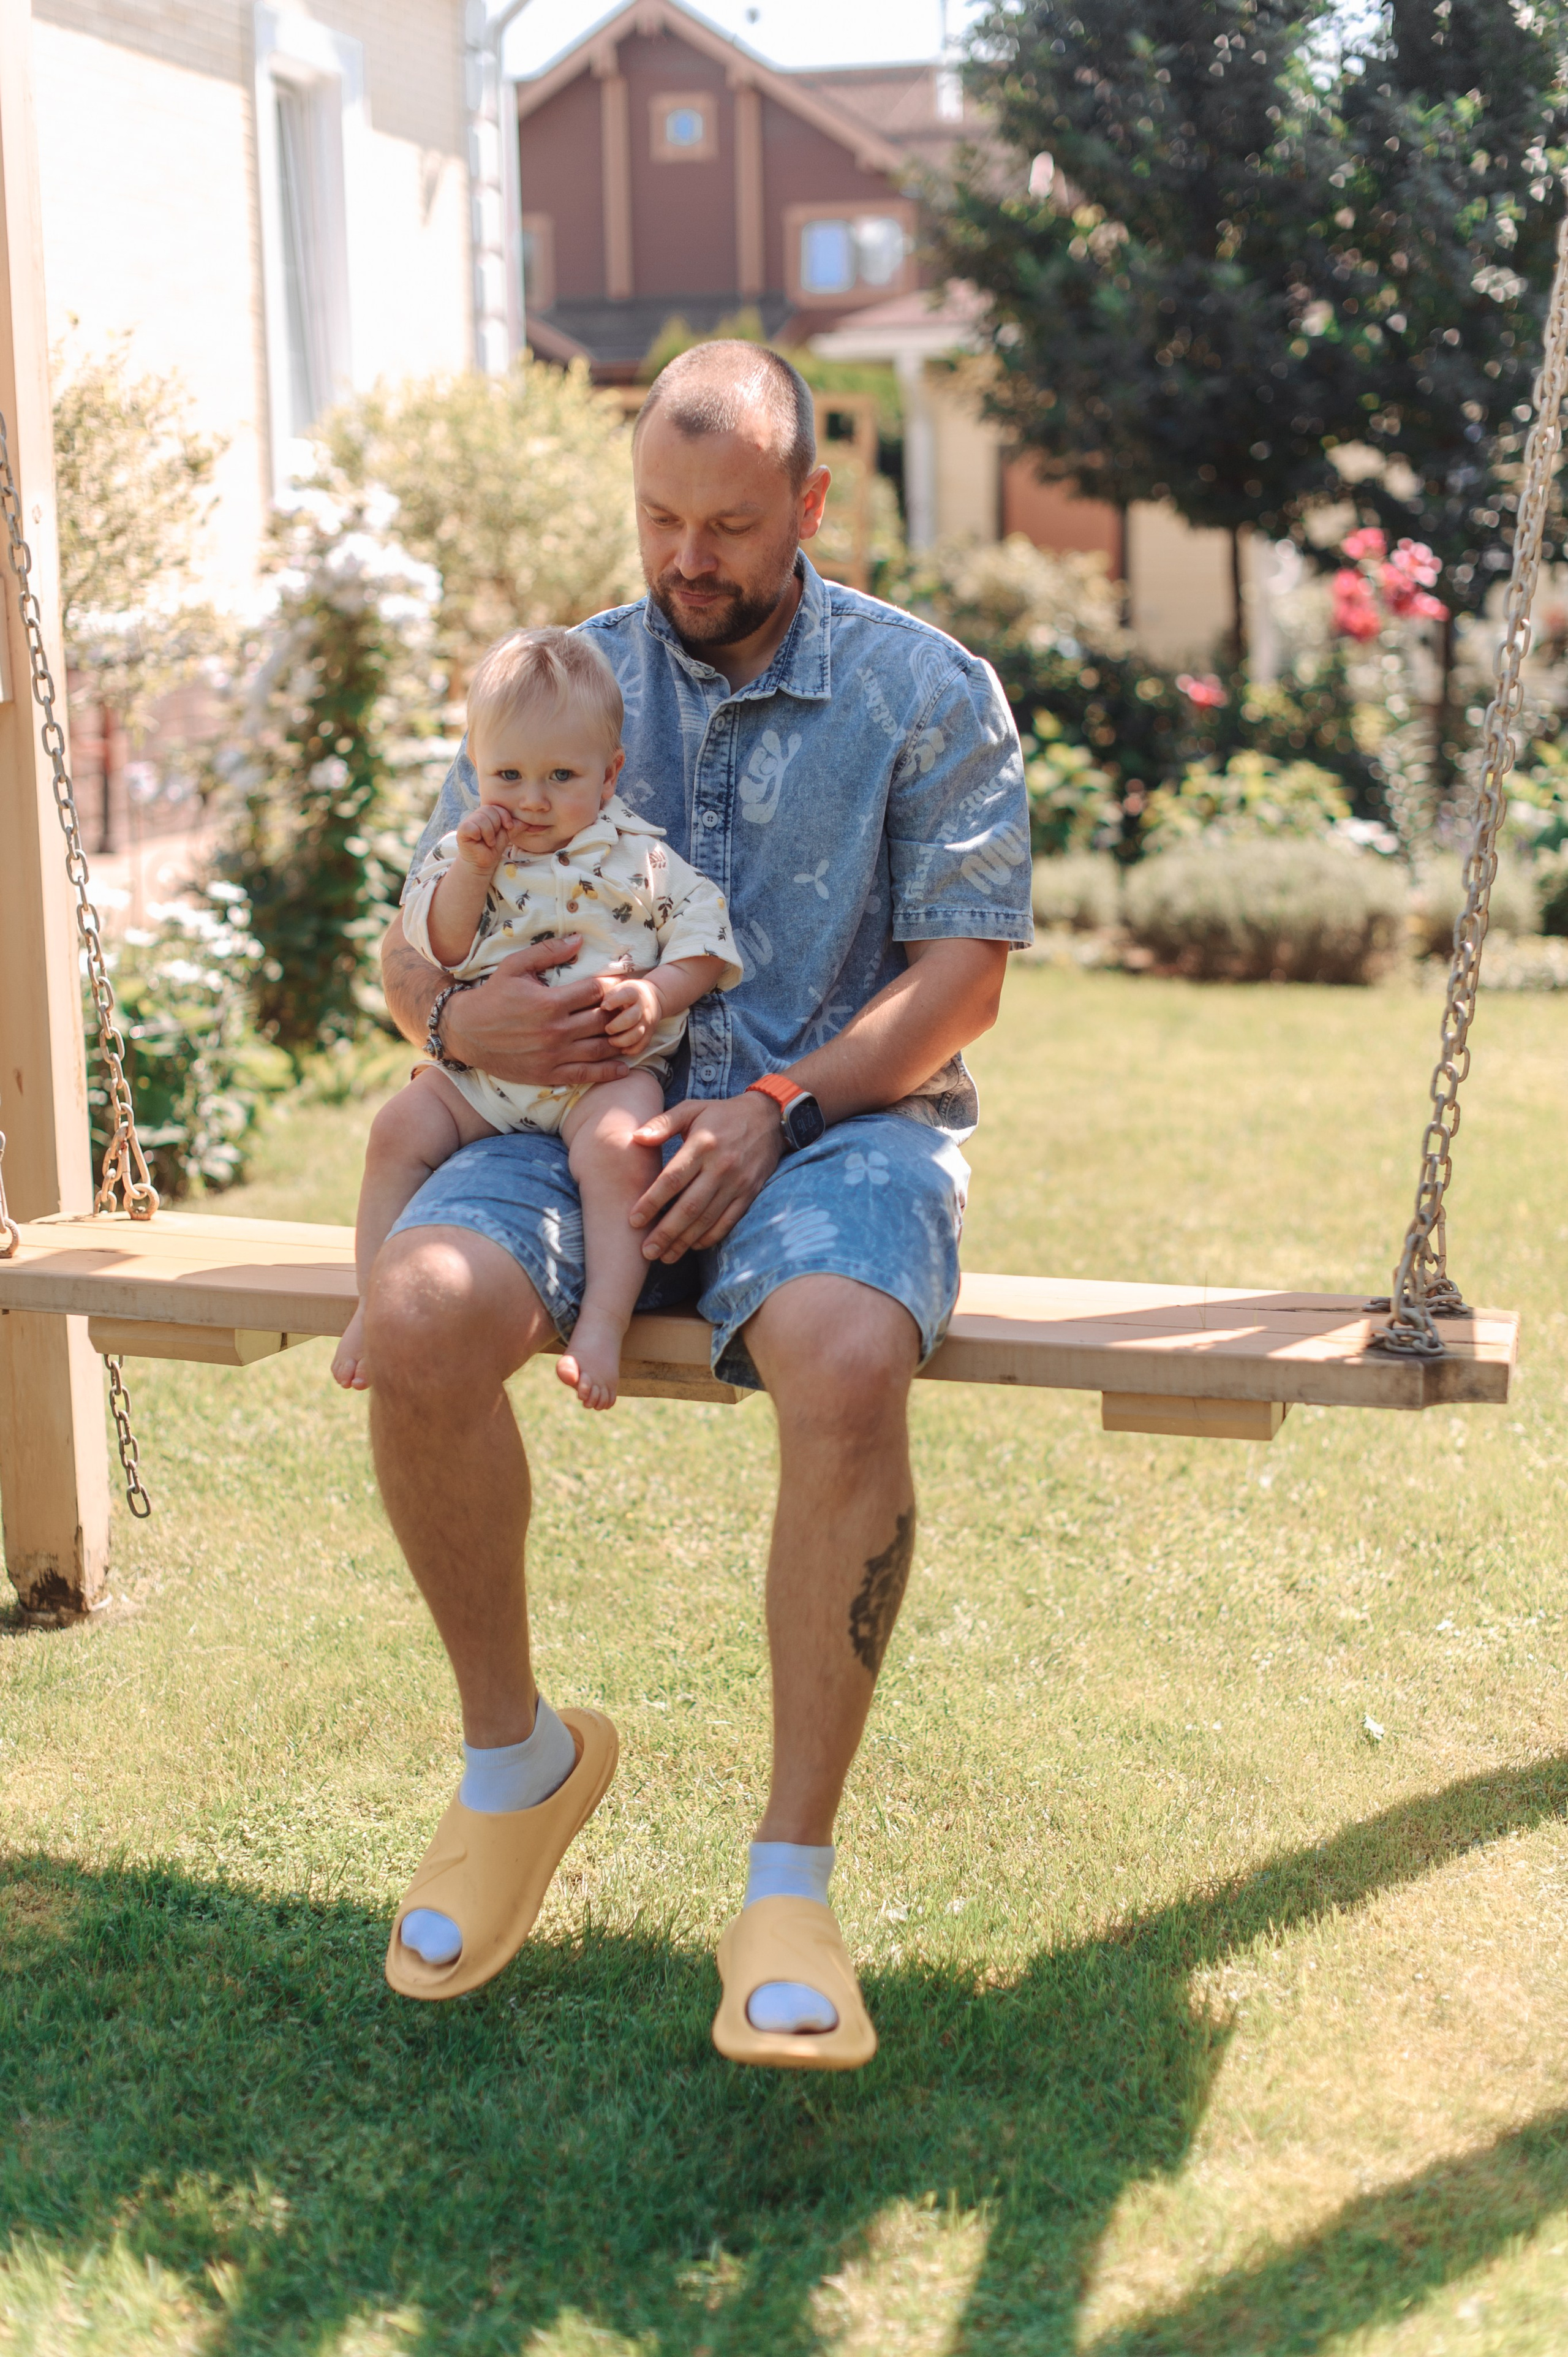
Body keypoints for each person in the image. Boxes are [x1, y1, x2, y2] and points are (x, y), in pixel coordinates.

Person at [367, 342, 1032, 2066]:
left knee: (840, 1345)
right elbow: (410, 949)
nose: (688, 558)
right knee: (422, 1303)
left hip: (840, 1122)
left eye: (729, 523)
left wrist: (781, 1096)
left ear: (812, 505)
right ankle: (516, 1764)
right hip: (579, 1110)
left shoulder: (926, 686)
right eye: (661, 518)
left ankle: (788, 1882)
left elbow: (963, 979)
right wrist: (454, 1020)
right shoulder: (563, 679)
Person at [330, 627, 739, 1409]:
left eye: (561, 775)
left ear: (609, 774)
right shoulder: (467, 858)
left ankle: (603, 1324)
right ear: (476, 772)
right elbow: (439, 944)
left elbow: (704, 939)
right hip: (482, 1077)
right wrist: (475, 869)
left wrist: (656, 994)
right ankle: (369, 1305)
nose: (532, 800)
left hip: (604, 1075)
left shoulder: (643, 860)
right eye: (508, 774)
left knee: (623, 1153)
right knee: (397, 1131)